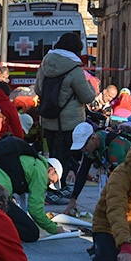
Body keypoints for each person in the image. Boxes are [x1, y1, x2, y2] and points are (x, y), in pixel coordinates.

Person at [34, 32, 95, 171]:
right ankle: (60, 187)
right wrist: (90, 86)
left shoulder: (44, 65)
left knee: (52, 157)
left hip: (48, 119)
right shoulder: (75, 69)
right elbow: (87, 97)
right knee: (65, 158)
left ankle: (51, 185)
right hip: (69, 124)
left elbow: (38, 89)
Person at [63, 122, 131, 216]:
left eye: (84, 146)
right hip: (118, 173)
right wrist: (73, 199)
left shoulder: (115, 147)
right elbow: (83, 171)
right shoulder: (91, 148)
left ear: (93, 138)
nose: (82, 150)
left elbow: (124, 178)